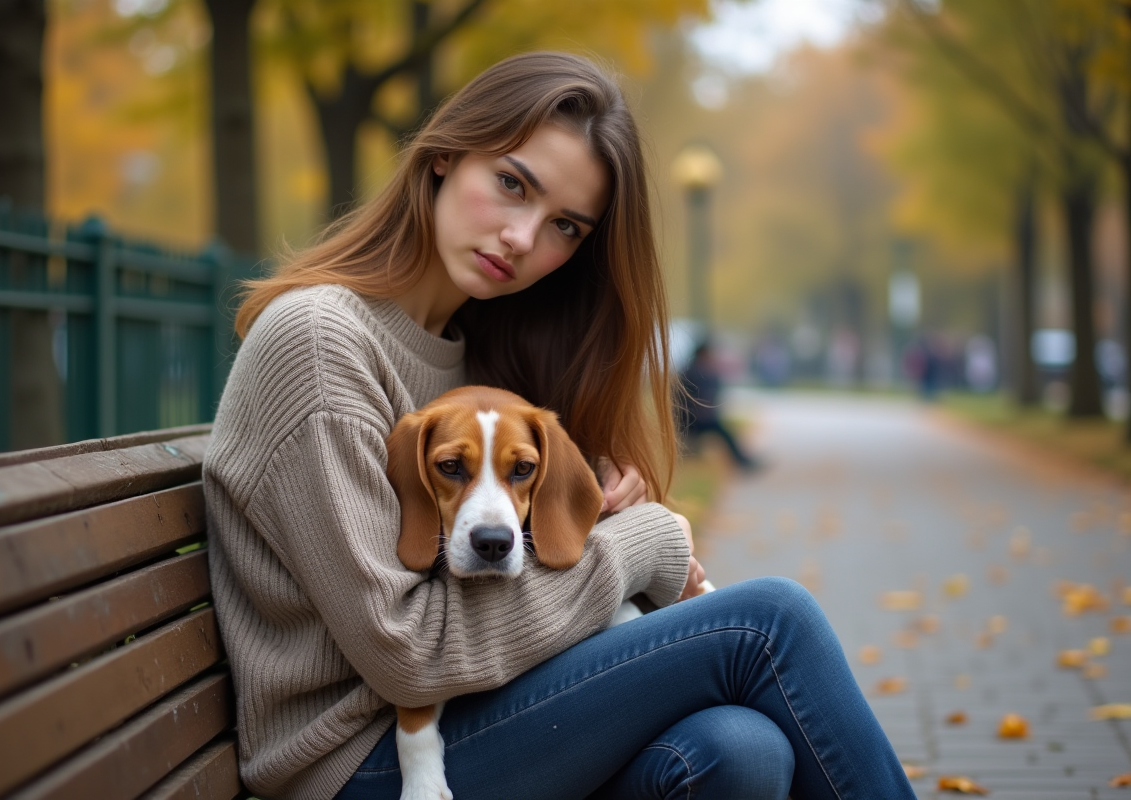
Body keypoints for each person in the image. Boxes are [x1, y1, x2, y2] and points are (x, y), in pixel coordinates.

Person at [204, 52, 916, 800]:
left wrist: (600, 509)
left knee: (738, 749)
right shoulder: (319, 342)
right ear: (445, 154)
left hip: (477, 713)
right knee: (770, 621)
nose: (522, 237)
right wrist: (641, 546)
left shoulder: (478, 356)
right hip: (357, 761)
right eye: (512, 184)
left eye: (565, 226)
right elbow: (406, 655)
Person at [679, 339, 761, 471]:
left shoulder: (696, 371)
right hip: (694, 420)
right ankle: (742, 461)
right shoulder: (695, 373)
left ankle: (742, 460)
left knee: (725, 433)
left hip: (697, 418)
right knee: (725, 434)